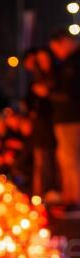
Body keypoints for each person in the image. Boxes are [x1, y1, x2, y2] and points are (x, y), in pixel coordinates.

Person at [47, 29, 80, 208]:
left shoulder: (74, 63)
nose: (57, 54)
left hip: (72, 118)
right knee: (66, 159)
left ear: (65, 41)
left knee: (71, 159)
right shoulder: (68, 62)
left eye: (56, 49)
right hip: (65, 118)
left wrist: (52, 93)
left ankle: (75, 199)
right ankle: (70, 196)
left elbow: (71, 91)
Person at [23, 46, 58, 199]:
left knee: (47, 159)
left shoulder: (53, 77)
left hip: (48, 122)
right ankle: (40, 194)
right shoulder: (36, 79)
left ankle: (46, 193)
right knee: (41, 160)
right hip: (40, 123)